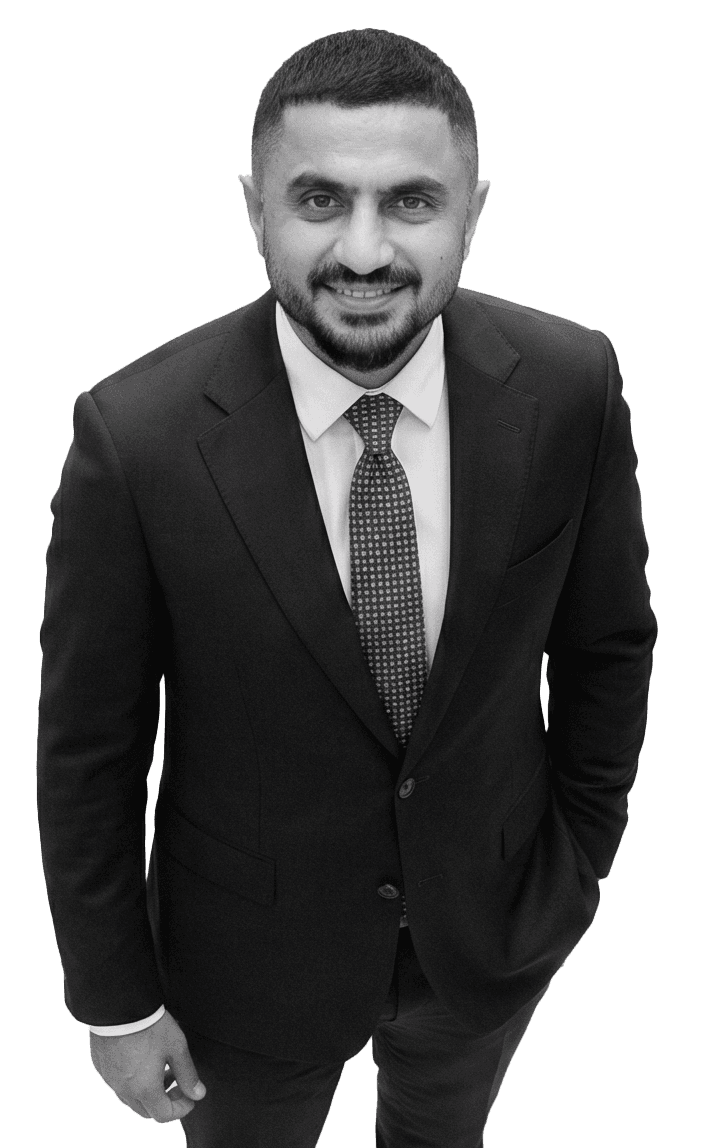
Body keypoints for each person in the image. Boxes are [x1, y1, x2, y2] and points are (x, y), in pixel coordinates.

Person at [37, 27, 657, 1148]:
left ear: (471, 212)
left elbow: (607, 639)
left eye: (410, 202)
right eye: (318, 200)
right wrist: (116, 1000)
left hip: (490, 930)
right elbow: (88, 744)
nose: (363, 251)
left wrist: (575, 862)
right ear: (253, 209)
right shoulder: (133, 439)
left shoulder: (571, 386)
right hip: (243, 967)